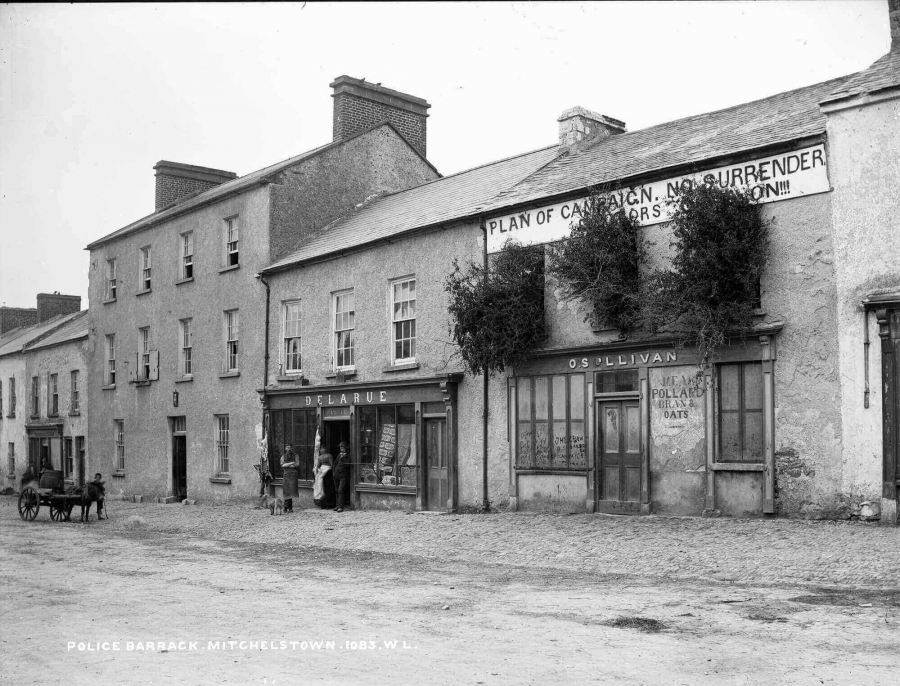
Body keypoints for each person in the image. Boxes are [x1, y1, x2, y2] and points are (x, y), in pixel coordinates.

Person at [332, 441, 351, 513]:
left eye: (342, 447)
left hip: (343, 475)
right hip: (336, 474)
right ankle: (337, 504)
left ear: (345, 448)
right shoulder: (339, 455)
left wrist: (343, 458)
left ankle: (341, 506)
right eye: (340, 447)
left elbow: (348, 464)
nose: (341, 448)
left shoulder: (347, 455)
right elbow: (334, 463)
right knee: (337, 490)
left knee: (340, 490)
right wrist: (334, 471)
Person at [280, 444, 298, 513]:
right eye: (288, 447)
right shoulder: (283, 456)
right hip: (286, 475)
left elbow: (297, 464)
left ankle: (286, 507)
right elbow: (283, 465)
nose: (289, 449)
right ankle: (289, 508)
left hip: (293, 475)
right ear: (285, 448)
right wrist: (291, 463)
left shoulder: (296, 456)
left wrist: (287, 465)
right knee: (287, 490)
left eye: (290, 447)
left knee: (291, 491)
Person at [254, 441, 271, 507]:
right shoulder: (261, 459)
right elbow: (260, 465)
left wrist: (267, 471)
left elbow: (268, 466)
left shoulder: (268, 458)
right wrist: (259, 470)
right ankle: (261, 503)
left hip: (267, 474)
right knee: (262, 487)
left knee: (268, 488)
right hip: (262, 474)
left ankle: (268, 503)